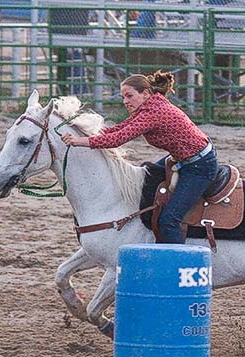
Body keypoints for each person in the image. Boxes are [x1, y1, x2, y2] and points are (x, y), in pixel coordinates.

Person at [61, 71, 218, 245]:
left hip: (200, 166)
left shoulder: (153, 112)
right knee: (147, 184)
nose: (125, 101)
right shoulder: (149, 107)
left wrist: (80, 141)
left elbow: (118, 139)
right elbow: (118, 129)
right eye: (123, 97)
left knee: (169, 221)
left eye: (129, 96)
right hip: (185, 159)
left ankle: (176, 266)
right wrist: (83, 131)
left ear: (145, 93)